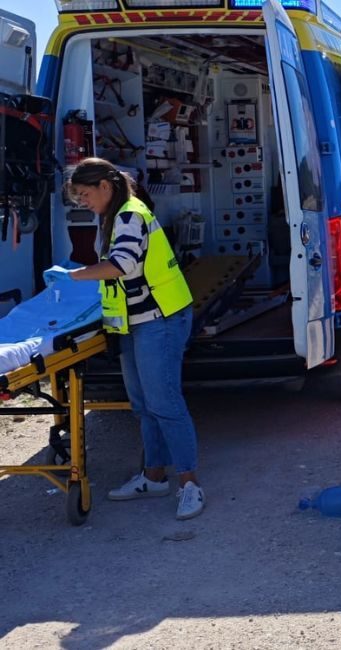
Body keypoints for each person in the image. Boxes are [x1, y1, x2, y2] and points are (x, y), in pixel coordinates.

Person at [62, 158, 203, 520]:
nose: (83, 202)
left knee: (165, 403)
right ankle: (153, 476)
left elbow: (122, 265)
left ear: (104, 187)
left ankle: (190, 484)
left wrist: (73, 276)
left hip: (160, 319)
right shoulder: (116, 215)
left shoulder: (128, 215)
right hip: (135, 322)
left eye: (85, 194)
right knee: (143, 405)